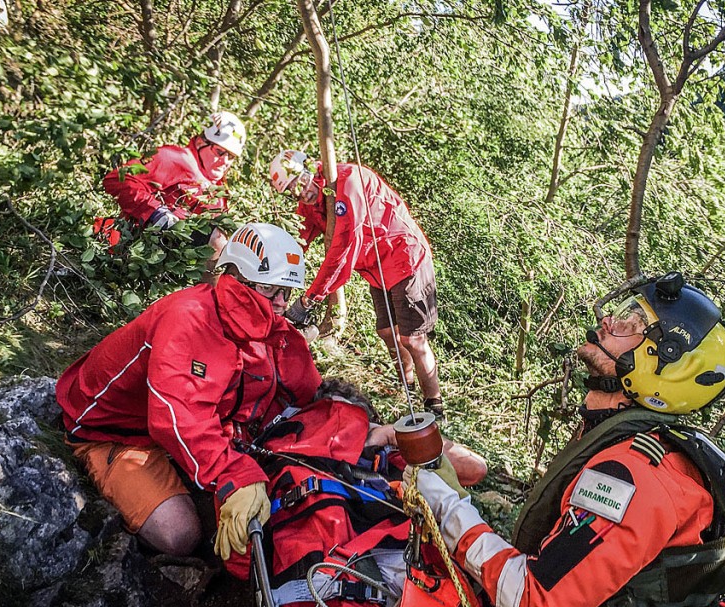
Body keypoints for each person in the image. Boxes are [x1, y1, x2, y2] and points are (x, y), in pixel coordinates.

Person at [409, 272, 725, 607]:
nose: (608, 323)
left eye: (630, 323)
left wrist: (447, 507)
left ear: (660, 360)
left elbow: (535, 603)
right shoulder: (638, 446)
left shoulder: (633, 475)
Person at [56, 223, 320, 580]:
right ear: (239, 280)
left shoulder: (249, 324)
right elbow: (175, 418)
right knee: (179, 534)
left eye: (285, 292)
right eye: (271, 289)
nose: (281, 304)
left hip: (168, 424)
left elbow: (289, 388)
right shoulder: (189, 321)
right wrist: (232, 472)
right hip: (115, 432)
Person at [268, 150, 447, 420]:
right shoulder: (312, 199)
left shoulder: (348, 183)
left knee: (412, 338)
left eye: (298, 184)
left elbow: (343, 251)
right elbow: (297, 243)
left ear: (309, 170)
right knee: (388, 333)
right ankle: (407, 389)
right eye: (291, 191)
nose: (298, 193)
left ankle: (434, 405)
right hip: (377, 270)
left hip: (405, 258)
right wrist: (275, 285)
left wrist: (309, 300)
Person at [101, 111, 246, 264]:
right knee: (217, 240)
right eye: (220, 152)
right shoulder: (174, 158)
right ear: (200, 143)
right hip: (140, 248)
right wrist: (155, 212)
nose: (225, 161)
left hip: (181, 261)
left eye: (231, 157)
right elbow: (117, 178)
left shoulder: (218, 187)